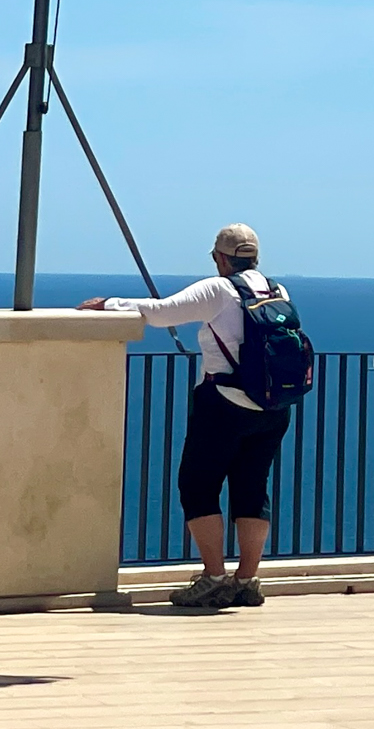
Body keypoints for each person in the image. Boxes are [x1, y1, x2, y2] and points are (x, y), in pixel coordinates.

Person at [80, 223, 293, 610]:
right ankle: (247, 580)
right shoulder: (276, 290)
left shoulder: (218, 289)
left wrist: (109, 304)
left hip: (224, 403)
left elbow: (161, 313)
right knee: (251, 488)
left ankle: (213, 578)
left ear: (220, 258)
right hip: (273, 408)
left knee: (197, 485)